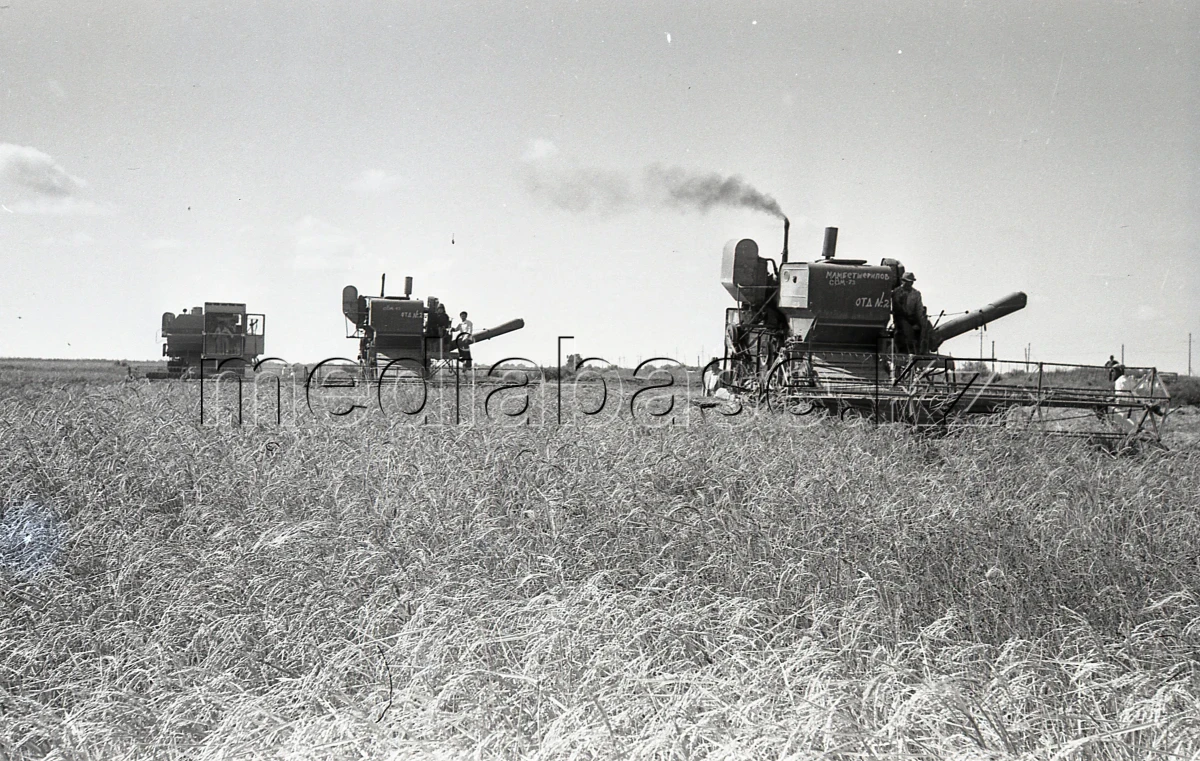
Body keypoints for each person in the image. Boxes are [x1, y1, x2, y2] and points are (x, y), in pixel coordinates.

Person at [892, 271, 925, 354]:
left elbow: (919, 309)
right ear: (903, 281)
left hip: (913, 317)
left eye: (911, 282)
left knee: (926, 327)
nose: (910, 284)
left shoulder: (916, 294)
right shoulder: (896, 292)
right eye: (908, 282)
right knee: (907, 330)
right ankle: (907, 350)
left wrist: (922, 322)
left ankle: (923, 346)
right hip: (900, 317)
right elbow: (896, 307)